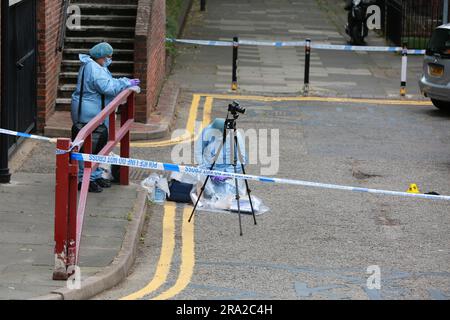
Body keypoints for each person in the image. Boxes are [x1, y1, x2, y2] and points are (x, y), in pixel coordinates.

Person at [71, 42, 140, 193]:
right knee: (89, 147)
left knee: (99, 145)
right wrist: (126, 82)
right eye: (109, 57)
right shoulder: (93, 68)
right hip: (89, 112)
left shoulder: (96, 66)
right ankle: (84, 179)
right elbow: (108, 87)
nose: (110, 59)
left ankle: (94, 175)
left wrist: (123, 81)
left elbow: (109, 82)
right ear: (101, 57)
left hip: (94, 109)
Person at [194, 118, 247, 201]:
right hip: (208, 167)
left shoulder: (236, 136)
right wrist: (204, 168)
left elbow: (242, 159)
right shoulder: (207, 131)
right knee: (200, 179)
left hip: (227, 171)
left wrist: (227, 173)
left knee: (225, 196)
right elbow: (198, 150)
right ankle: (200, 199)